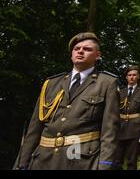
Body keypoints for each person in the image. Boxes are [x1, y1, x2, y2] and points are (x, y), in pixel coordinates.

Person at [14, 32, 120, 170]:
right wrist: (23, 163)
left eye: (87, 49)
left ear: (98, 55)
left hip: (80, 159)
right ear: (71, 55)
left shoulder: (107, 83)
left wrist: (105, 165)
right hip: (43, 160)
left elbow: (110, 130)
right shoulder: (51, 83)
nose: (80, 51)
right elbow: (35, 128)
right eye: (77, 49)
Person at [114, 65, 140, 170]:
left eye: (134, 75)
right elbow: (114, 111)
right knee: (116, 161)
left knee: (132, 161)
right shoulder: (120, 91)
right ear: (126, 77)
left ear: (138, 76)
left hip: (135, 129)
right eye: (129, 75)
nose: (131, 77)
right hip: (120, 129)